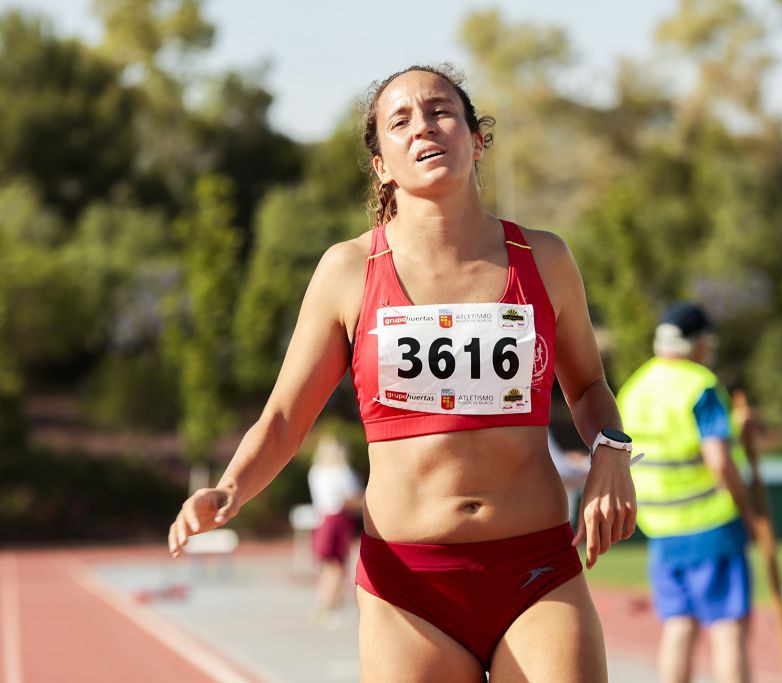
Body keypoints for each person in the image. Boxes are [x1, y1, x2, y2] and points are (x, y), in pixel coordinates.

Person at [167, 63, 637, 682]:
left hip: (535, 571)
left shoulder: (543, 258)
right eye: (401, 120)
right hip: (408, 588)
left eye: (442, 111)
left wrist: (611, 449)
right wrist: (229, 489)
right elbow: (283, 419)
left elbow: (588, 388)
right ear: (381, 163)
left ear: (476, 139)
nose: (424, 127)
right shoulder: (347, 271)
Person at [618, 302, 755, 683]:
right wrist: (748, 511)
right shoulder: (699, 385)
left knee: (679, 627)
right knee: (727, 629)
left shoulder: (636, 385)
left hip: (660, 526)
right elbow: (719, 460)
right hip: (709, 522)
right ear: (699, 343)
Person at [307, 434, 364, 626]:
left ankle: (326, 602)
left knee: (327, 565)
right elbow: (350, 499)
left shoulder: (316, 471)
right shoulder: (343, 472)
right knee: (337, 566)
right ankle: (329, 606)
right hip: (337, 520)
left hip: (321, 519)